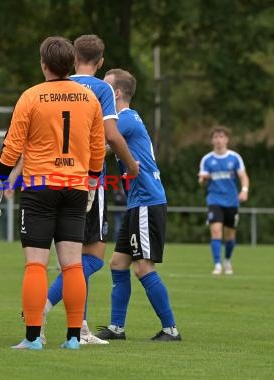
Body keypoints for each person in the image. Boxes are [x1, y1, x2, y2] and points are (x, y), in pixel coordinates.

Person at [0, 36, 106, 350]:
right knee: (73, 265)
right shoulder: (90, 99)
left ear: (44, 64)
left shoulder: (31, 96)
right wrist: (93, 181)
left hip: (41, 187)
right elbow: (98, 149)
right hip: (76, 188)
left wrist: (0, 181)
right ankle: (72, 338)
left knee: (36, 265)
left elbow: (12, 145)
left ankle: (32, 338)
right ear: (70, 64)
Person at [41, 34, 139, 345]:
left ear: (72, 58)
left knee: (74, 255)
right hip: (88, 181)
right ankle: (43, 305)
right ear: (100, 61)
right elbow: (111, 134)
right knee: (92, 257)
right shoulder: (101, 89)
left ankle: (80, 328)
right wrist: (132, 164)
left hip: (53, 176)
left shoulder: (57, 86)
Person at [94, 68, 181, 341]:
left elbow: (103, 143)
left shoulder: (125, 118)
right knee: (118, 264)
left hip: (147, 202)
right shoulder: (126, 119)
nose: (101, 94)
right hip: (138, 204)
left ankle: (170, 329)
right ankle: (117, 328)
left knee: (143, 267)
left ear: (117, 93)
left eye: (105, 89)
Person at [198, 126, 249, 275]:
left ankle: (227, 260)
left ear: (227, 139)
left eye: (221, 136)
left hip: (232, 201)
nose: (219, 140)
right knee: (215, 232)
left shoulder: (234, 158)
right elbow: (201, 180)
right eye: (216, 137)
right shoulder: (207, 159)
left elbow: (243, 176)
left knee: (230, 236)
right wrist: (203, 178)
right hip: (214, 200)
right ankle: (217, 265)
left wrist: (244, 190)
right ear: (212, 140)